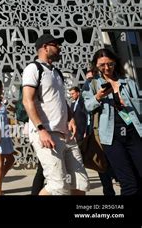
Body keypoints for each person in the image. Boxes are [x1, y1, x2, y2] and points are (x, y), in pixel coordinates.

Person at [22, 34, 89, 195]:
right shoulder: (33, 69)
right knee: (57, 186)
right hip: (47, 134)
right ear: (45, 47)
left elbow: (60, 100)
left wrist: (70, 117)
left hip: (66, 134)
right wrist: (41, 129)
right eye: (56, 45)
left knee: (80, 185)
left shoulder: (56, 72)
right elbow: (27, 101)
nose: (59, 48)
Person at [82, 48, 142, 195]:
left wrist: (126, 102)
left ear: (115, 63)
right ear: (96, 65)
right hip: (110, 137)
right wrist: (98, 97)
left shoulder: (128, 82)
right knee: (128, 183)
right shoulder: (92, 84)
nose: (107, 68)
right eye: (102, 65)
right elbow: (87, 106)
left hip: (133, 132)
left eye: (110, 64)